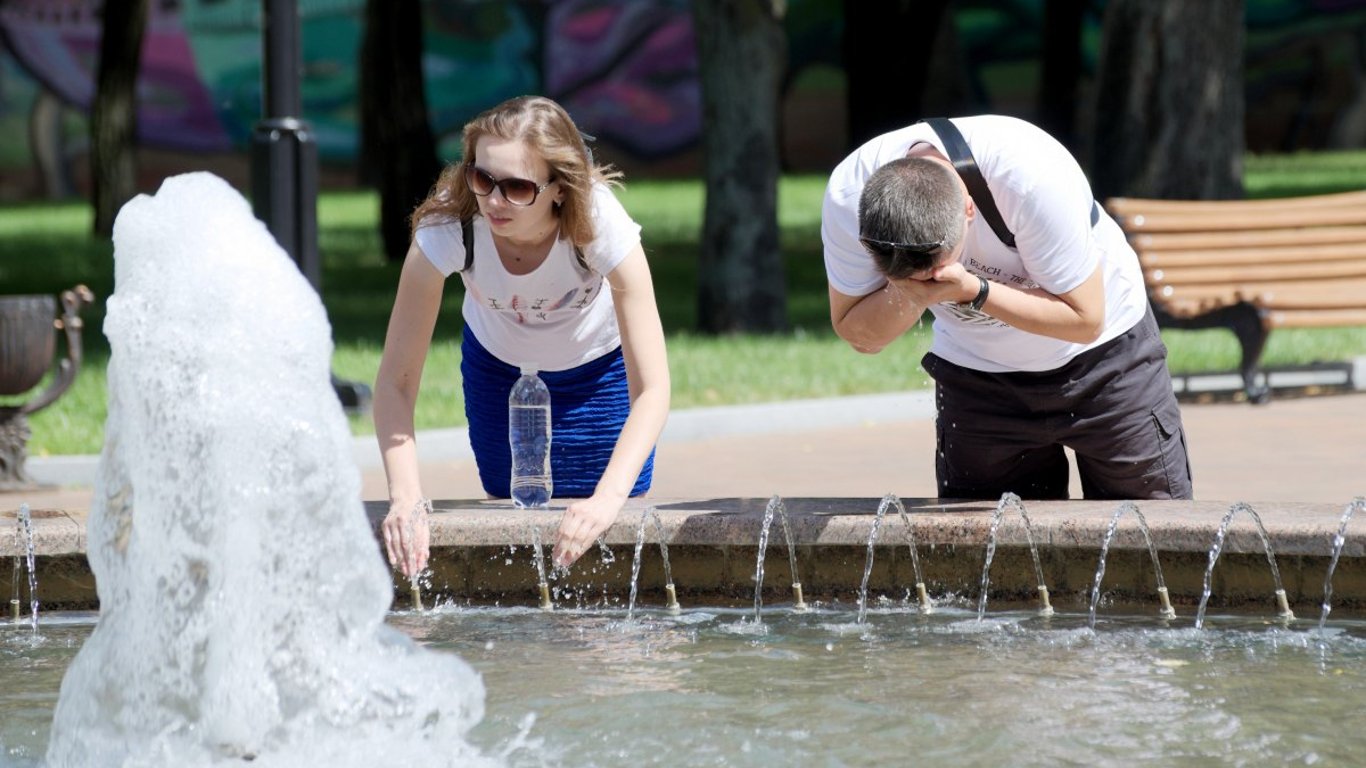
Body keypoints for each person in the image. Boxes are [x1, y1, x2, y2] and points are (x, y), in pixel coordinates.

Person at [821, 114, 1193, 501]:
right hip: (980, 384)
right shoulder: (851, 199)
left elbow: (1085, 319)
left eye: (936, 270)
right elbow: (859, 335)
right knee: (990, 554)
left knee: (1150, 537)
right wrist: (912, 295)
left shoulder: (1029, 177)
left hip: (1105, 364)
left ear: (968, 210)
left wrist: (975, 291)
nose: (929, 281)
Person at [374, 95, 670, 574]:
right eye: (482, 178)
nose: (493, 200)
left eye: (516, 187)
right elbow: (396, 382)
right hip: (498, 370)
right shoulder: (450, 230)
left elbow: (653, 389)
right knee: (513, 524)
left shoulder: (600, 227)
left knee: (605, 526)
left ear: (558, 187)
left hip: (598, 374)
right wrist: (406, 500)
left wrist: (607, 498)